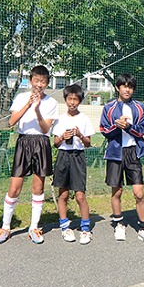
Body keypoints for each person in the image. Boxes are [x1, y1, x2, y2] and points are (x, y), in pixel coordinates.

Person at [0, 65, 58, 244]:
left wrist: (38, 109)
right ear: (30, 81)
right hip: (24, 142)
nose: (39, 85)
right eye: (36, 81)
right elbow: (11, 122)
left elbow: (46, 128)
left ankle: (34, 227)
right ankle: (5, 227)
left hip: (42, 142)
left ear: (47, 83)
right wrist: (29, 104)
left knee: (38, 188)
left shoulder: (52, 103)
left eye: (43, 81)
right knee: (14, 187)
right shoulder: (22, 97)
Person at [100, 73, 144, 245]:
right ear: (117, 87)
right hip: (115, 152)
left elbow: (142, 130)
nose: (127, 89)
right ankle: (118, 223)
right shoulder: (109, 107)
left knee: (139, 193)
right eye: (124, 86)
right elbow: (103, 130)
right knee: (116, 191)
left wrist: (129, 127)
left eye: (130, 86)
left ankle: (143, 228)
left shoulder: (139, 107)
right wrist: (117, 127)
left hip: (133, 153)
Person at [52, 84, 96, 245]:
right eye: (69, 99)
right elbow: (55, 143)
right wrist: (63, 136)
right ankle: (65, 227)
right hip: (63, 156)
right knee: (63, 194)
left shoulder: (84, 119)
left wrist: (80, 134)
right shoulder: (60, 119)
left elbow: (88, 143)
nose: (72, 102)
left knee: (80, 195)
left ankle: (85, 229)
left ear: (80, 101)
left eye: (75, 99)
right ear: (65, 100)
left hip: (78, 157)